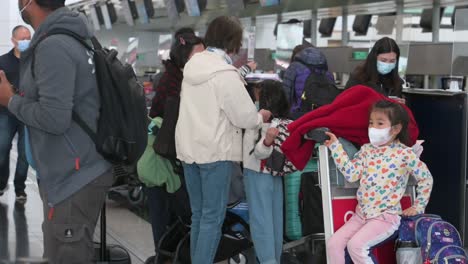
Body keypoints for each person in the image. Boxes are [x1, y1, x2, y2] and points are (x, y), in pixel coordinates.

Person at [0, 1, 113, 262]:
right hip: (73, 171)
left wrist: (10, 100)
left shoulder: (54, 45)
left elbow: (55, 117)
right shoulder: (73, 38)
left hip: (73, 177)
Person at [175, 16, 271, 264]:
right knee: (212, 218)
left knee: (199, 216)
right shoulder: (224, 73)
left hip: (188, 151)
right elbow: (245, 117)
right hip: (214, 153)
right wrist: (261, 116)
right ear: (233, 41)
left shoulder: (192, 67)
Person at [324, 100, 433, 264]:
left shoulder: (404, 153)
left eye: (380, 123)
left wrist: (418, 206)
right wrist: (336, 148)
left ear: (396, 128)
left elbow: (426, 177)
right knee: (334, 244)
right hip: (361, 216)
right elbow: (352, 174)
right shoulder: (366, 150)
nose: (373, 128)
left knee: (356, 246)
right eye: (371, 123)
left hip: (386, 218)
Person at [146, 27, 204, 262]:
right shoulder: (176, 82)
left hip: (169, 156)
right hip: (166, 158)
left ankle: (167, 256)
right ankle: (167, 257)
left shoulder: (176, 77)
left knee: (169, 215)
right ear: (184, 57)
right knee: (167, 214)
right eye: (197, 56)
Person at [243, 80, 292, 264]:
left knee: (260, 221)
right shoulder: (285, 122)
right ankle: (274, 259)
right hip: (276, 176)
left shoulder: (260, 121)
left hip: (256, 173)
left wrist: (266, 141)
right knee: (275, 220)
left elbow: (259, 152)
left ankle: (267, 260)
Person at [0, 25, 31, 201]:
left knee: (25, 154)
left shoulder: (35, 60)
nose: (26, 41)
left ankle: (20, 188)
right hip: (6, 113)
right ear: (13, 40)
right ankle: (1, 182)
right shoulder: (3, 62)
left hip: (27, 113)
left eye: (28, 38)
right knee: (2, 149)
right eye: (22, 38)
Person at [282, 45, 335, 117]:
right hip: (324, 115)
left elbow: (285, 93)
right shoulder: (325, 69)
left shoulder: (294, 67)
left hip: (299, 115)